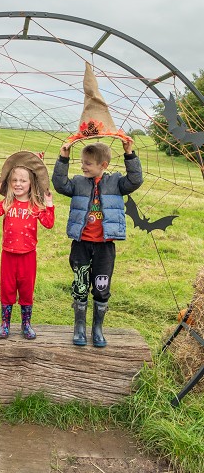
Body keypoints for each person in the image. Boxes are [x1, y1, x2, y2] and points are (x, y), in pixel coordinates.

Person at [51, 140, 143, 347]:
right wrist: (63, 158)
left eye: (88, 163)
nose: (83, 166)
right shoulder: (78, 182)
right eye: (82, 162)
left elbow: (135, 180)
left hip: (105, 246)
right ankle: (79, 327)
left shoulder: (116, 183)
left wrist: (129, 154)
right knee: (81, 285)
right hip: (81, 245)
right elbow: (59, 184)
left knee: (101, 286)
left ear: (103, 165)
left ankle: (97, 328)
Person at [0, 151, 55, 340]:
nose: (18, 184)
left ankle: (26, 324)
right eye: (14, 180)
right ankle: (5, 324)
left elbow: (49, 223)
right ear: (10, 183)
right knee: (7, 288)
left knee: (26, 290)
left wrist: (49, 204)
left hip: (28, 256)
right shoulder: (8, 203)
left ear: (31, 183)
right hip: (8, 255)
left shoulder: (35, 206)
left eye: (23, 181)